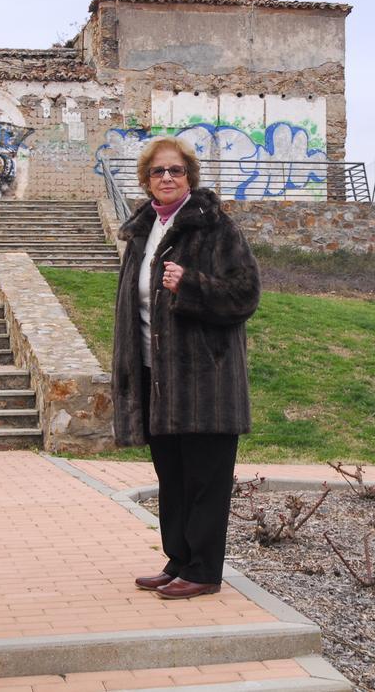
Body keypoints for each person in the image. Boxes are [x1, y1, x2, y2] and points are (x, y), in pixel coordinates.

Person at [112, 136, 260, 600]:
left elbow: (245, 294)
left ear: (190, 177)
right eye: (159, 172)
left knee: (204, 480)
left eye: (176, 171)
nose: (168, 179)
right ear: (147, 181)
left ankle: (203, 569)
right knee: (172, 477)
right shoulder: (142, 231)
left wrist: (192, 284)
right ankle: (178, 560)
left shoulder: (216, 228)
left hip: (206, 381)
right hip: (158, 377)